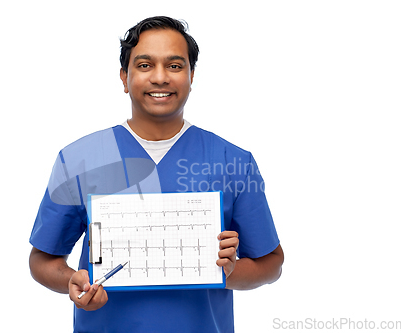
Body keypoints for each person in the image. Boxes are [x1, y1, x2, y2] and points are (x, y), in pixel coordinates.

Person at [29, 16, 284, 333]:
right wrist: (72, 280)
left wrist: (227, 271)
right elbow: (41, 260)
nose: (160, 77)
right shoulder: (78, 159)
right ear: (124, 78)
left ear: (192, 76)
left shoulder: (233, 161)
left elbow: (271, 263)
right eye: (145, 65)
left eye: (175, 66)